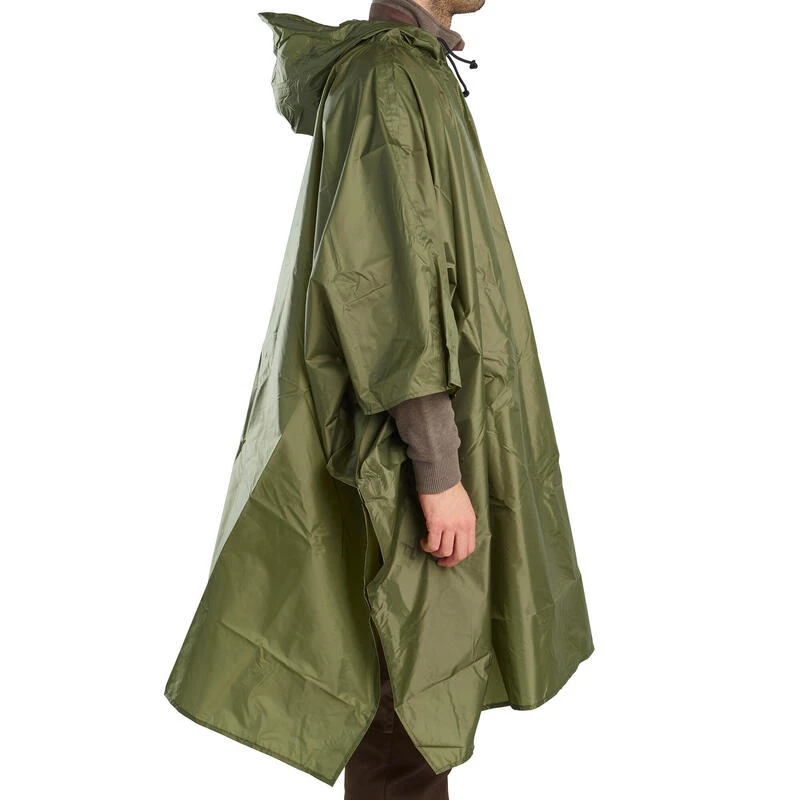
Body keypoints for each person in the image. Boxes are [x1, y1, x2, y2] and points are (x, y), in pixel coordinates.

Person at [164, 1, 595, 796]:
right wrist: (438, 469)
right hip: (394, 456)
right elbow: (385, 284)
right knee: (407, 698)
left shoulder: (412, 71)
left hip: (419, 439)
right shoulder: (387, 78)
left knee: (418, 690)